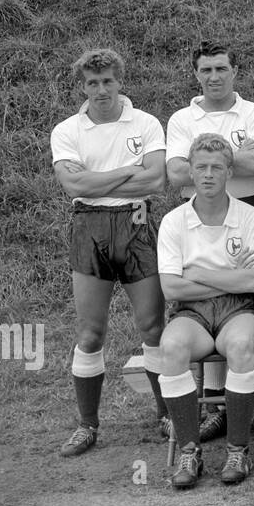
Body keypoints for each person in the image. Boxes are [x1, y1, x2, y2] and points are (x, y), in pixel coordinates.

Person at [50, 48, 167, 457]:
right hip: (90, 227)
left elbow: (155, 180)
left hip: (136, 225)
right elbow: (73, 187)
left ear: (120, 82)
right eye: (92, 83)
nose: (101, 90)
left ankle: (166, 412)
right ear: (82, 87)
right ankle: (87, 425)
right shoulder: (68, 130)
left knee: (152, 326)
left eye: (108, 81)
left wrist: (95, 180)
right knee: (90, 332)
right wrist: (124, 173)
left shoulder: (147, 122)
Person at [165, 40, 254, 442]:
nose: (214, 77)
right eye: (206, 70)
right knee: (204, 305)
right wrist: (233, 156)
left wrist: (211, 155)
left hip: (248, 208)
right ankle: (215, 406)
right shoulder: (181, 118)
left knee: (246, 303)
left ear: (234, 71)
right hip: (197, 213)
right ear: (196, 74)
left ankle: (245, 409)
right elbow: (176, 173)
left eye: (221, 69)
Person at [156, 134, 254, 489]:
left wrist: (200, 274)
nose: (207, 175)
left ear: (229, 172)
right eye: (200, 167)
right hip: (192, 312)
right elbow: (172, 288)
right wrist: (229, 277)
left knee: (239, 346)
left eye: (216, 168)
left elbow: (253, 283)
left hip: (240, 308)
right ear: (189, 171)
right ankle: (191, 451)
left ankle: (238, 449)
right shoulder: (174, 221)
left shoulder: (250, 217)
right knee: (171, 348)